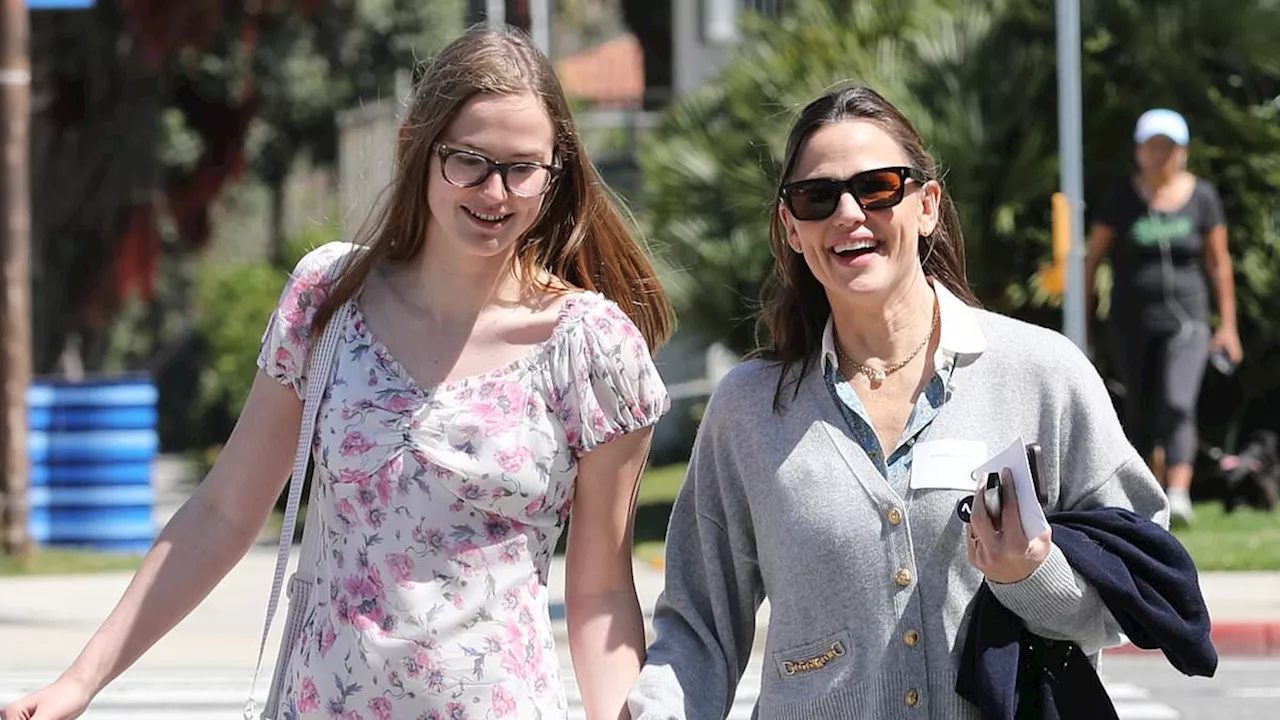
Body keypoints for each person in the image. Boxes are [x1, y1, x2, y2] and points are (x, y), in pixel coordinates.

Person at [3, 25, 673, 720]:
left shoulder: (592, 350)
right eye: (468, 160)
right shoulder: (329, 300)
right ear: (416, 146)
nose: (495, 192)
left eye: (521, 167)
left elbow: (598, 591)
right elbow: (225, 512)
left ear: (554, 169)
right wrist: (80, 682)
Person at [626, 85, 1169, 719]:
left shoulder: (1042, 374)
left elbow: (1138, 588)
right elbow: (698, 630)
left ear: (928, 205)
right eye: (817, 197)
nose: (849, 213)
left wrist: (1033, 574)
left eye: (878, 186)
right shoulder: (747, 410)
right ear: (792, 228)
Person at [1084, 108, 1243, 525]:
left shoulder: (1203, 197)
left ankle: (1179, 491)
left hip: (1188, 320)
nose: (1160, 156)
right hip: (1131, 320)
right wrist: (1082, 322)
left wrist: (1227, 325)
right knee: (1139, 409)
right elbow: (1092, 260)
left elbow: (1219, 263)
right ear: (1139, 152)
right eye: (1152, 147)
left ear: (1182, 152)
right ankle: (1145, 499)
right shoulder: (1122, 197)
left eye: (1168, 148)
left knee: (1177, 400)